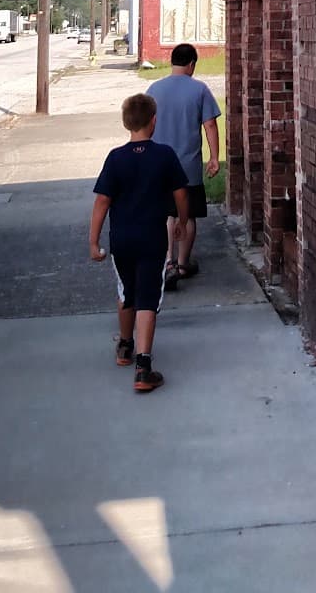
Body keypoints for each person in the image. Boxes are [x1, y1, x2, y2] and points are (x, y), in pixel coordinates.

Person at [89, 93, 189, 393]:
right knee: (148, 297)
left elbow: (102, 201)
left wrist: (93, 241)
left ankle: (125, 346)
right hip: (152, 239)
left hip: (121, 240)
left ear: (126, 123)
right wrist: (182, 222)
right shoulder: (165, 155)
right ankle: (144, 366)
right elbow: (181, 194)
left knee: (126, 291)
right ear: (154, 121)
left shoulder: (115, 157)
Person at [147, 42, 221, 283]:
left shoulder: (154, 89)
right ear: (191, 64)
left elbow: (146, 125)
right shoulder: (199, 90)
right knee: (187, 217)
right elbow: (209, 124)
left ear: (172, 62)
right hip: (188, 165)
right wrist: (213, 157)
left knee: (168, 215)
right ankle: (182, 263)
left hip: (159, 165)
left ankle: (168, 261)